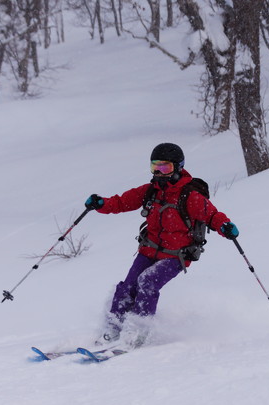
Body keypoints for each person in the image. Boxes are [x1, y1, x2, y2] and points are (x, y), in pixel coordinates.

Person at [84, 143, 239, 347]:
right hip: (148, 250)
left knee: (147, 283)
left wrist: (225, 226)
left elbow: (211, 215)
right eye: (154, 167)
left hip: (176, 256)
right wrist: (102, 204)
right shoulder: (151, 191)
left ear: (178, 168)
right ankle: (112, 329)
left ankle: (137, 333)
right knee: (128, 286)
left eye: (165, 168)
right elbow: (122, 202)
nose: (158, 172)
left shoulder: (190, 195)